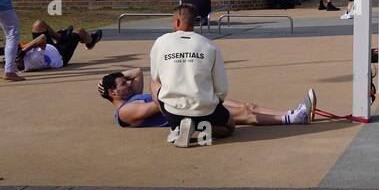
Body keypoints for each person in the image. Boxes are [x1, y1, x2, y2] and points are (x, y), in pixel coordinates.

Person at [99, 67, 316, 129]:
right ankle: (292, 120)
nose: (128, 84)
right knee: (244, 114)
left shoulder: (132, 96)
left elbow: (137, 71)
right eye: (122, 85)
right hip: (188, 111)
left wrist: (117, 77)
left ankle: (291, 112)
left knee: (247, 105)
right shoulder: (125, 112)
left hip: (191, 99)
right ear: (113, 93)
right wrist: (172, 86)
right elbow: (159, 105)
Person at [149, 3, 235, 147]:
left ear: (176, 21)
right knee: (230, 127)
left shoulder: (161, 41)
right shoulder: (210, 45)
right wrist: (216, 102)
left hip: (172, 109)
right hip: (205, 108)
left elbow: (155, 76)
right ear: (194, 22)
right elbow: (221, 88)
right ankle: (198, 126)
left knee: (153, 82)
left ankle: (176, 126)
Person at [29, 19, 103, 66]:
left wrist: (23, 49)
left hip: (44, 47)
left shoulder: (19, 54)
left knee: (38, 24)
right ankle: (91, 41)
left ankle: (60, 36)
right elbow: (42, 38)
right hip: (58, 55)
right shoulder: (25, 65)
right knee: (80, 31)